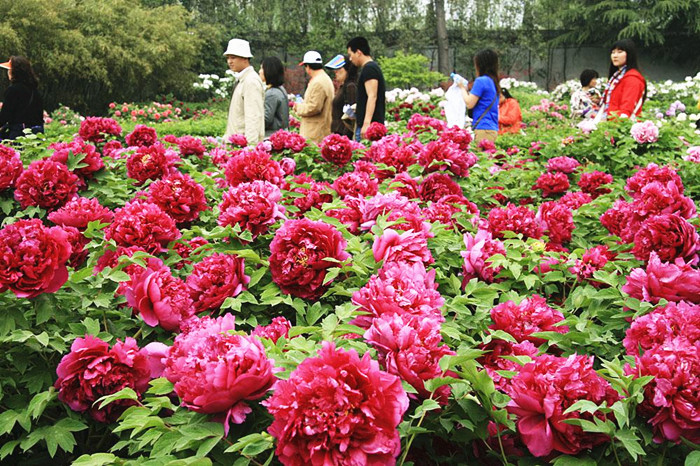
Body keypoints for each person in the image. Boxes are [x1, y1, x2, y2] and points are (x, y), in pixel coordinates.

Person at [223, 38, 265, 145]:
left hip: (243, 147)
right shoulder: (243, 79)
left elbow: (253, 117)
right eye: (228, 58)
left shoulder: (251, 81)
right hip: (236, 144)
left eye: (233, 57)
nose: (229, 61)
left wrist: (250, 147)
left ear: (245, 59)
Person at [457, 48, 500, 146]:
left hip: (483, 129)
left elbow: (469, 103)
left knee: (481, 160)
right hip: (491, 129)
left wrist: (462, 88)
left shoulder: (481, 81)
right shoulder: (493, 81)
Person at [347, 37, 386, 141]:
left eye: (351, 55)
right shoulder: (370, 68)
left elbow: (372, 96)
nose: (350, 59)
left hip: (370, 128)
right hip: (371, 126)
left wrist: (366, 123)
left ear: (359, 52)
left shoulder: (369, 69)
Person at [293, 51, 334, 144]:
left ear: (307, 66)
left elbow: (314, 107)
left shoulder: (318, 82)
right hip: (321, 129)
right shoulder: (325, 79)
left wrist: (298, 107)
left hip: (314, 133)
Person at [599, 39, 646, 120]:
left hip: (621, 126)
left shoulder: (632, 79)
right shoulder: (616, 77)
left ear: (629, 54)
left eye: (620, 52)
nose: (615, 55)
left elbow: (627, 109)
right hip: (611, 124)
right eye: (613, 52)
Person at [0, 56, 44, 140]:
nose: (8, 72)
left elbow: (5, 116)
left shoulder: (13, 90)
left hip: (19, 133)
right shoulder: (35, 91)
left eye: (9, 69)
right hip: (36, 134)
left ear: (14, 71)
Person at [324, 54, 358, 138]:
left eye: (339, 69)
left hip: (344, 135)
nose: (335, 72)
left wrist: (344, 137)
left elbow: (351, 116)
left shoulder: (350, 87)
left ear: (347, 70)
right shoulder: (343, 87)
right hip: (338, 133)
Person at [259, 56, 289, 138]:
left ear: (269, 71)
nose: (259, 71)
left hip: (271, 136)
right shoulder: (280, 89)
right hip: (280, 134)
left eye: (262, 68)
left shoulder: (271, 94)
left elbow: (266, 119)